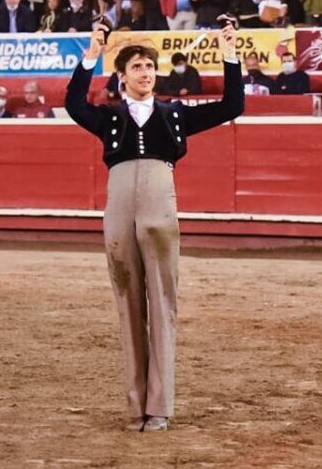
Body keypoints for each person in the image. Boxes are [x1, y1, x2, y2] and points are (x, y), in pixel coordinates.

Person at [65, 24, 243, 433]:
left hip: (161, 200)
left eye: (149, 66)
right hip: (120, 201)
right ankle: (136, 406)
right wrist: (91, 54)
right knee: (127, 301)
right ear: (122, 76)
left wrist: (229, 53)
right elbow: (74, 103)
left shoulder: (175, 114)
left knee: (162, 302)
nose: (146, 72)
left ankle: (159, 407)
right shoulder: (107, 115)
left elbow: (232, 105)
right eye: (137, 66)